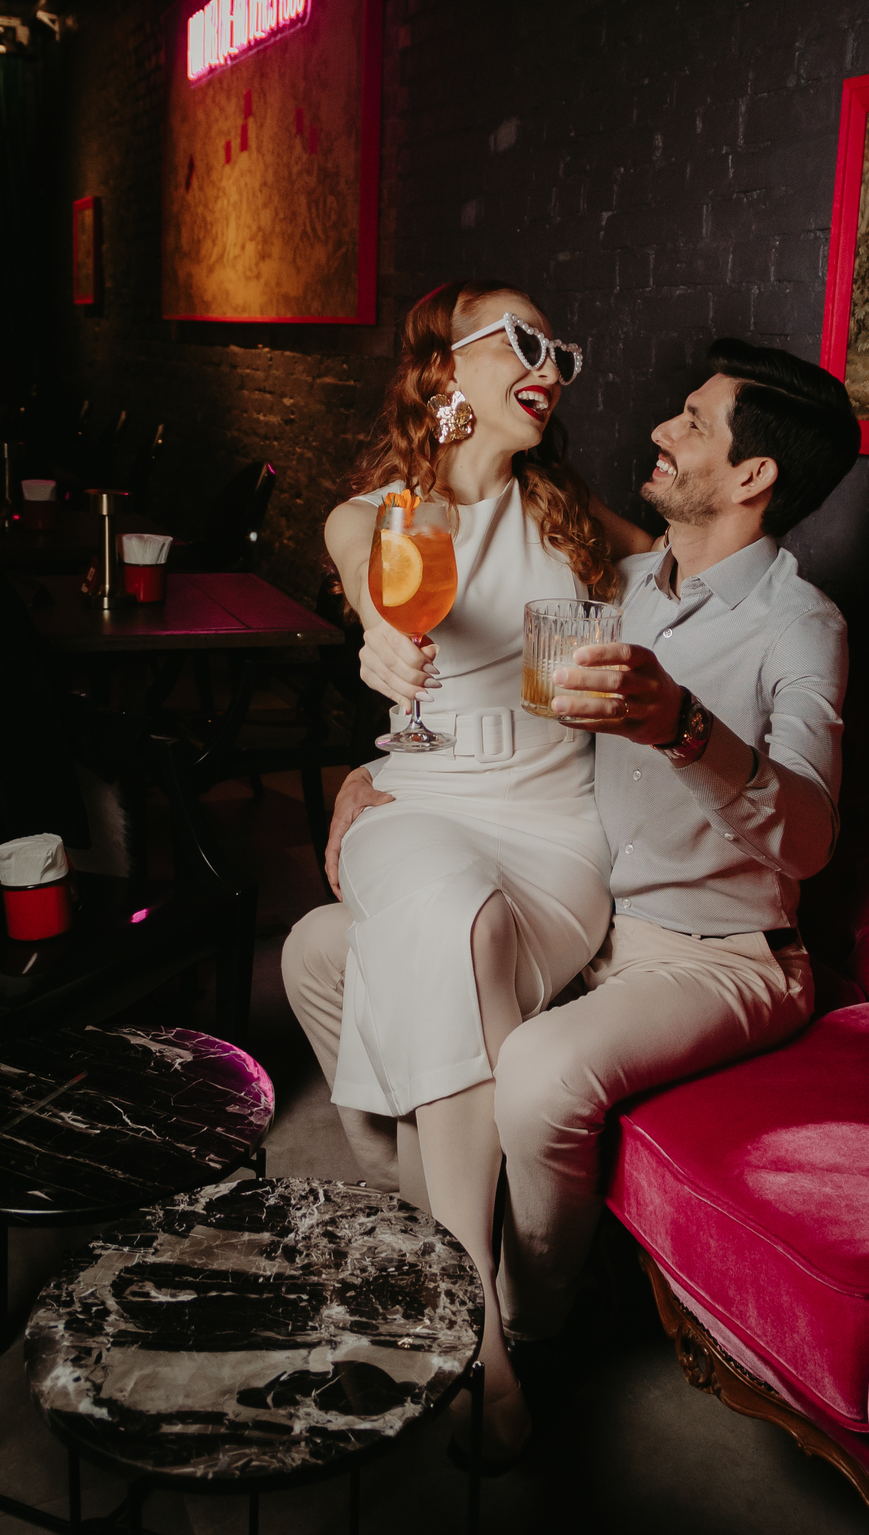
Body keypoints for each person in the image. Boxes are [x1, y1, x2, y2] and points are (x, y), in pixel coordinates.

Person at [293, 336, 862, 1460]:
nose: (659, 430)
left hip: (720, 951)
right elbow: (481, 687)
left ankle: (519, 1327)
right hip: (591, 918)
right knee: (318, 949)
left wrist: (684, 728)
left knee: (537, 1072)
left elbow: (810, 837)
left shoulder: (802, 624)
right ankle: (426, 1238)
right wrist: (375, 774)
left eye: (691, 422)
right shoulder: (623, 583)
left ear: (753, 475)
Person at [284, 277, 650, 1466]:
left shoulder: (571, 516)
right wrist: (380, 637)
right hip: (422, 801)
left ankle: (427, 1247)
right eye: (524, 343)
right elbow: (366, 570)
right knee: (450, 916)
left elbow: (689, 572)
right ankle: (483, 1339)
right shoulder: (384, 514)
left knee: (354, 952)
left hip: (557, 828)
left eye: (562, 352)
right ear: (444, 368)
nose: (552, 368)